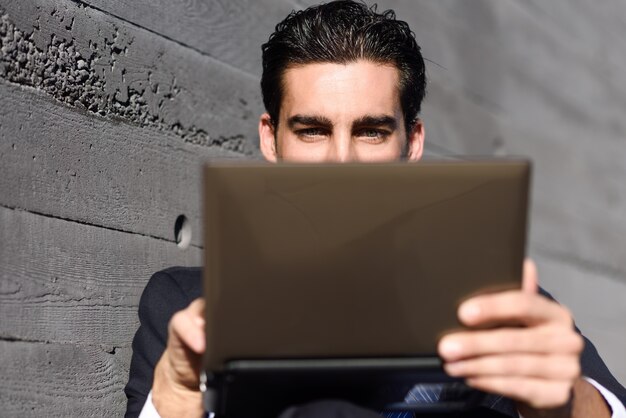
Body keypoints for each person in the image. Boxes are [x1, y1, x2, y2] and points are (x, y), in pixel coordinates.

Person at [124, 1, 626, 417]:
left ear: (412, 145)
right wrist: (172, 399)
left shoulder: (497, 307)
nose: (342, 162)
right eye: (312, 130)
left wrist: (569, 403)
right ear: (270, 140)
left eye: (371, 131)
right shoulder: (182, 312)